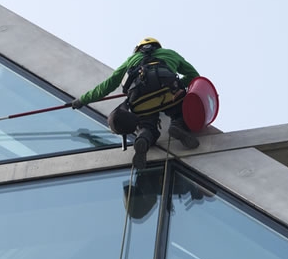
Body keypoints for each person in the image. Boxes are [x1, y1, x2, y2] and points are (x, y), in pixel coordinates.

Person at [72, 37, 201, 169]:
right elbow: (194, 76)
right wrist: (179, 85)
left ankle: (143, 138)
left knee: (147, 124)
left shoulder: (131, 60)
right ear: (158, 46)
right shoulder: (170, 53)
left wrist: (82, 100)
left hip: (139, 98)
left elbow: (108, 84)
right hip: (168, 92)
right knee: (180, 111)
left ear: (138, 49)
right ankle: (177, 125)